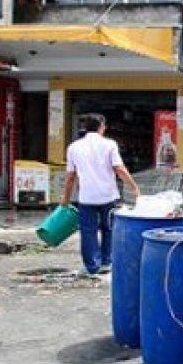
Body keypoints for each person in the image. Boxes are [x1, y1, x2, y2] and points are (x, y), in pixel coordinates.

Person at [60, 113, 141, 277]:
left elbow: (70, 177)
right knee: (109, 229)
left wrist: (65, 200)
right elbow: (120, 169)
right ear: (101, 127)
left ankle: (91, 266)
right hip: (108, 196)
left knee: (88, 232)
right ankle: (106, 261)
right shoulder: (109, 144)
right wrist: (135, 188)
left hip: (86, 197)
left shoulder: (74, 147)